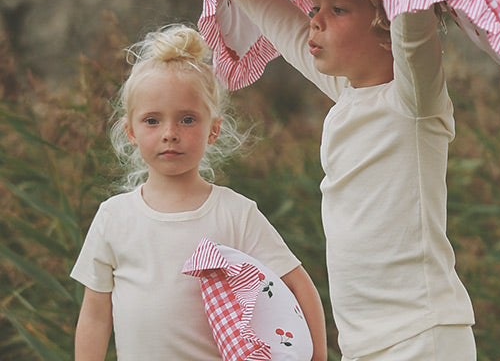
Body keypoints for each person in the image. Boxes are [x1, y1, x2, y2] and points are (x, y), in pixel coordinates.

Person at [218, 0, 476, 361]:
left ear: (383, 25)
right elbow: (288, 28)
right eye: (316, 6)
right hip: (363, 343)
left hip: (422, 333)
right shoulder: (349, 96)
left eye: (337, 10)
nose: (315, 20)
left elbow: (414, 36)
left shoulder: (413, 101)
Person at [71, 24, 327, 361]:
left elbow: (298, 286)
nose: (170, 133)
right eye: (152, 120)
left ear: (214, 129)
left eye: (188, 119)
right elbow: (94, 315)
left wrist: (318, 357)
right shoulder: (113, 217)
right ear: (130, 131)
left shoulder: (236, 213)